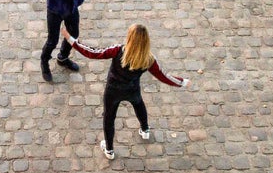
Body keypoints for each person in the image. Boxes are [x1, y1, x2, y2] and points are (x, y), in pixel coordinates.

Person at [62, 22, 187, 160]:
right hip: (132, 89)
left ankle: (109, 149)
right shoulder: (149, 59)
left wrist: (71, 40)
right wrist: (181, 82)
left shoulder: (118, 50)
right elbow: (163, 76)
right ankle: (145, 129)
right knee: (139, 105)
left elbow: (93, 53)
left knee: (109, 118)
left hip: (112, 91)